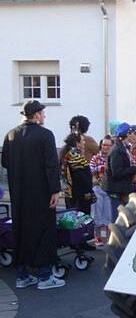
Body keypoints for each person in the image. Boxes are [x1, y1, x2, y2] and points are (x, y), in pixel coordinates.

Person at [1, 100, 65, 289]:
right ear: (36, 114)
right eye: (43, 113)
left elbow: (5, 163)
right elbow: (51, 165)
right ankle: (45, 276)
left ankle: (23, 276)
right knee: (44, 231)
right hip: (41, 192)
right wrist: (55, 190)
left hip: (19, 194)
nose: (44, 116)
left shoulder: (10, 135)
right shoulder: (45, 135)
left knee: (20, 230)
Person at [105, 122, 136, 222]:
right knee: (118, 219)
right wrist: (134, 168)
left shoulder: (123, 148)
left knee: (123, 218)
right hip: (117, 191)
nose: (133, 135)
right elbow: (117, 172)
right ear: (127, 134)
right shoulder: (117, 151)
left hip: (122, 190)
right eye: (131, 132)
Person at [60, 133, 94, 215]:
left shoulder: (67, 153)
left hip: (70, 193)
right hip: (79, 194)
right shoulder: (74, 155)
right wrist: (88, 191)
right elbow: (81, 176)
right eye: (82, 141)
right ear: (77, 143)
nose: (84, 142)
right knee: (81, 219)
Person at [90, 136, 113, 246]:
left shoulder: (113, 157)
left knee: (108, 215)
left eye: (108, 145)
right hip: (98, 188)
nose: (106, 147)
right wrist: (103, 168)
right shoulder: (95, 158)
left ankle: (106, 238)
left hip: (109, 189)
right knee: (97, 214)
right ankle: (99, 238)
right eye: (104, 145)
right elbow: (91, 170)